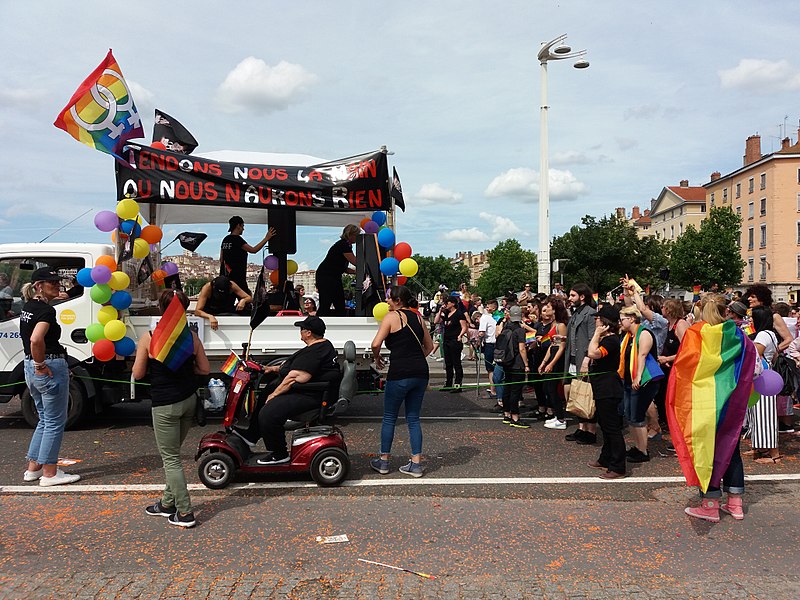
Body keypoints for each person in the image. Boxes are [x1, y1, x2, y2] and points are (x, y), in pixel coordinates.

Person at [670, 294, 756, 522]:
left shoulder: (696, 334)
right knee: (731, 449)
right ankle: (735, 505)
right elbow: (751, 362)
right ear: (725, 310)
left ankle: (710, 505)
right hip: (732, 403)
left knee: (705, 450)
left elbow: (684, 367)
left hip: (704, 404)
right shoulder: (738, 334)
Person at [133, 290, 210, 528]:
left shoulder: (149, 337)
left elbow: (137, 374)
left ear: (160, 309)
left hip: (165, 404)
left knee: (171, 459)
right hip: (189, 401)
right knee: (173, 455)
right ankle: (167, 503)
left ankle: (185, 512)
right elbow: (205, 370)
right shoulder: (191, 337)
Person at [234, 316, 339, 463]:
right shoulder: (318, 346)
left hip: (314, 394)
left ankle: (279, 454)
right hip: (308, 391)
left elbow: (297, 376)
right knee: (266, 394)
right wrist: (271, 369)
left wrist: (274, 395)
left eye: (302, 329)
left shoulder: (317, 350)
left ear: (308, 333)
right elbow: (292, 365)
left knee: (269, 412)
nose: (300, 332)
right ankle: (251, 435)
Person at [19, 268, 80, 487]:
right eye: (51, 283)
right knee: (55, 421)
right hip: (47, 365)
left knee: (45, 419)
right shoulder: (46, 312)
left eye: (57, 282)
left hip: (31, 366)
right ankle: (50, 473)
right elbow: (36, 339)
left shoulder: (28, 307)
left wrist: (35, 364)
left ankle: (33, 468)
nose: (57, 285)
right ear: (38, 286)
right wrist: (41, 364)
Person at [370, 285, 434, 477]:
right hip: (420, 372)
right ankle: (415, 464)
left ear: (398, 301)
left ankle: (384, 461)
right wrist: (414, 358)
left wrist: (377, 357)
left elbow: (375, 343)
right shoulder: (418, 317)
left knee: (390, 417)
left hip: (399, 372)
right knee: (413, 418)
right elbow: (429, 346)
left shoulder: (391, 317)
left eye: (389, 298)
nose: (387, 301)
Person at [586, 304, 626, 479]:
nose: (596, 320)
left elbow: (592, 353)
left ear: (605, 322)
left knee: (612, 428)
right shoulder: (607, 339)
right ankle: (606, 458)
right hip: (602, 387)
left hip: (608, 388)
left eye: (599, 318)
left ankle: (618, 466)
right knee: (605, 426)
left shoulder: (610, 341)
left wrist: (596, 334)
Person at [618, 305, 660, 463]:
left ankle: (643, 451)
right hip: (629, 380)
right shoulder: (628, 336)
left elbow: (642, 356)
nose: (620, 322)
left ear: (632, 319)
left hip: (643, 381)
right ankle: (637, 447)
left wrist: (638, 377)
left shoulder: (644, 334)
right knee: (630, 415)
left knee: (637, 416)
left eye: (622, 319)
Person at [745, 305, 782, 464]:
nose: (750, 319)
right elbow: (774, 355)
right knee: (758, 415)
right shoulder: (771, 334)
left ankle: (774, 455)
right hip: (766, 377)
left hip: (761, 379)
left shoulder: (762, 335)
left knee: (764, 416)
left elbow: (755, 354)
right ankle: (759, 447)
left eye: (753, 317)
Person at [560, 284, 597, 438]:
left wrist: (587, 360)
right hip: (573, 359)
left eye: (573, 295)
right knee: (576, 393)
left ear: (582, 297)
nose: (570, 298)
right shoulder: (576, 313)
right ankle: (582, 428)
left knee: (586, 394)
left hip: (584, 360)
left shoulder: (591, 313)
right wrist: (564, 338)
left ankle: (591, 431)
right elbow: (575, 335)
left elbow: (592, 339)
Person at [220, 216, 277, 295]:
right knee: (247, 299)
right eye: (242, 226)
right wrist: (266, 238)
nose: (243, 229)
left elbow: (221, 258)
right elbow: (253, 250)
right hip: (238, 278)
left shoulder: (225, 240)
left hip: (225, 278)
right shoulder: (237, 239)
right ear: (238, 226)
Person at [539, 296, 569, 429]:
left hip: (558, 357)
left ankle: (561, 418)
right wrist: (544, 362)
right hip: (552, 354)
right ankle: (557, 415)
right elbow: (552, 345)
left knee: (551, 387)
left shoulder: (561, 325)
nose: (546, 310)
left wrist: (551, 364)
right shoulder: (554, 324)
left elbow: (562, 346)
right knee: (546, 387)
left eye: (549, 308)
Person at [315, 224, 358, 316]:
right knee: (327, 302)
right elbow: (355, 261)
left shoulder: (345, 245)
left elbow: (343, 268)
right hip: (326, 276)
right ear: (351, 235)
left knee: (339, 302)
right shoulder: (343, 245)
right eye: (356, 235)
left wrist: (355, 272)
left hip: (333, 276)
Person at [500, 305, 531, 428]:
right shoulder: (520, 330)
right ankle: (515, 417)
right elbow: (522, 348)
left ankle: (507, 414)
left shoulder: (506, 328)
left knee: (507, 388)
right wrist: (526, 364)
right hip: (517, 363)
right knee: (516, 391)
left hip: (506, 361)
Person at [435, 295, 469, 392]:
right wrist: (440, 311)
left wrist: (460, 335)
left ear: (453, 303)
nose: (445, 305)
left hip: (455, 340)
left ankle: (458, 384)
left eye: (447, 303)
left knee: (456, 363)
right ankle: (448, 383)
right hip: (446, 340)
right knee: (448, 363)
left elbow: (464, 327)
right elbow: (436, 321)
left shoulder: (459, 314)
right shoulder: (446, 313)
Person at [478, 299, 498, 399]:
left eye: (488, 306)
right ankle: (497, 389)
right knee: (498, 367)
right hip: (499, 344)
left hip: (490, 344)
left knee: (490, 369)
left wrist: (477, 339)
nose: (486, 307)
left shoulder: (485, 317)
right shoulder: (500, 316)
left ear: (493, 308)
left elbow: (482, 332)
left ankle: (493, 390)